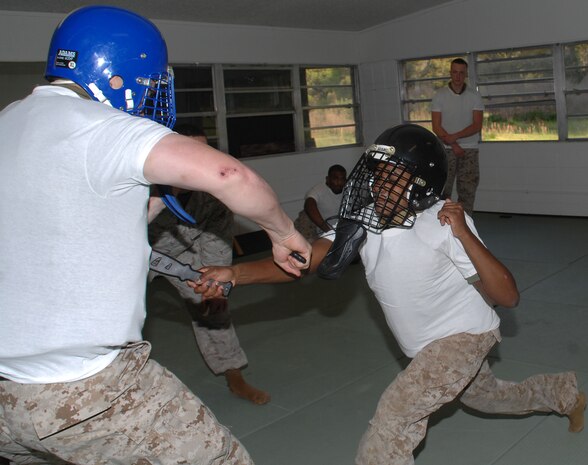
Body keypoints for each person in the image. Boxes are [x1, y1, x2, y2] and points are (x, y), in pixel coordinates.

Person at [0, 6, 310, 465]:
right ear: (118, 76)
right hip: (87, 390)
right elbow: (228, 173)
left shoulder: (11, 121)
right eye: (146, 84)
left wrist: (166, 193)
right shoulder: (104, 127)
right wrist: (283, 232)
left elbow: (86, 216)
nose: (149, 95)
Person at [195, 124, 586, 465]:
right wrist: (236, 274)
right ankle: (567, 394)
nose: (380, 186)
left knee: (394, 420)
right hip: (426, 345)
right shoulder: (363, 222)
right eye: (378, 176)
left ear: (420, 183)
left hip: (464, 337)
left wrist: (464, 233)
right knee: (486, 398)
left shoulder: (442, 222)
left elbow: (508, 296)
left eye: (393, 178)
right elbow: (303, 260)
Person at [149, 123, 271, 405]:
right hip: (132, 251)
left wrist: (215, 285)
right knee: (117, 314)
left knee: (212, 300)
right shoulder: (143, 188)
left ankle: (233, 373)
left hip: (180, 253)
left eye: (204, 152)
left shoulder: (214, 194)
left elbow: (215, 243)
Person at [431, 57, 484, 216]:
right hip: (446, 150)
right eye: (455, 72)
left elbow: (477, 125)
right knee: (442, 190)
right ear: (450, 73)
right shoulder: (439, 95)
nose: (458, 76)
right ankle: (442, 223)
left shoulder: (474, 96)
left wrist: (455, 137)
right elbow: (436, 126)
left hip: (469, 150)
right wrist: (453, 144)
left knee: (467, 191)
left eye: (462, 73)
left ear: (466, 74)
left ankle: (466, 224)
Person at [294, 164, 347, 242]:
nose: (339, 182)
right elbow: (309, 204)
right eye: (335, 179)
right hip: (327, 234)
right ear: (327, 179)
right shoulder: (318, 190)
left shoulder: (349, 189)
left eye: (342, 179)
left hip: (344, 231)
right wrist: (328, 230)